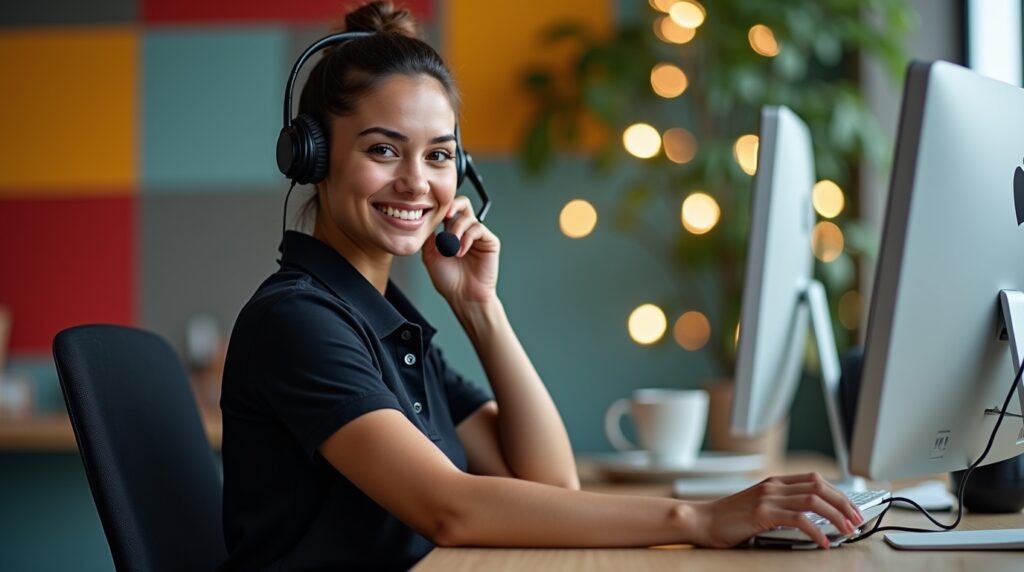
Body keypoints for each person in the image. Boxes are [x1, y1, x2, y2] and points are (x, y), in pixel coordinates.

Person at [219, 2, 864, 570]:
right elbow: (451, 509)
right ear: (312, 157)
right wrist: (695, 520)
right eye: (384, 150)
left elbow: (552, 482)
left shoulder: (386, 320)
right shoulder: (298, 323)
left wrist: (480, 309)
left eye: (439, 155)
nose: (418, 182)